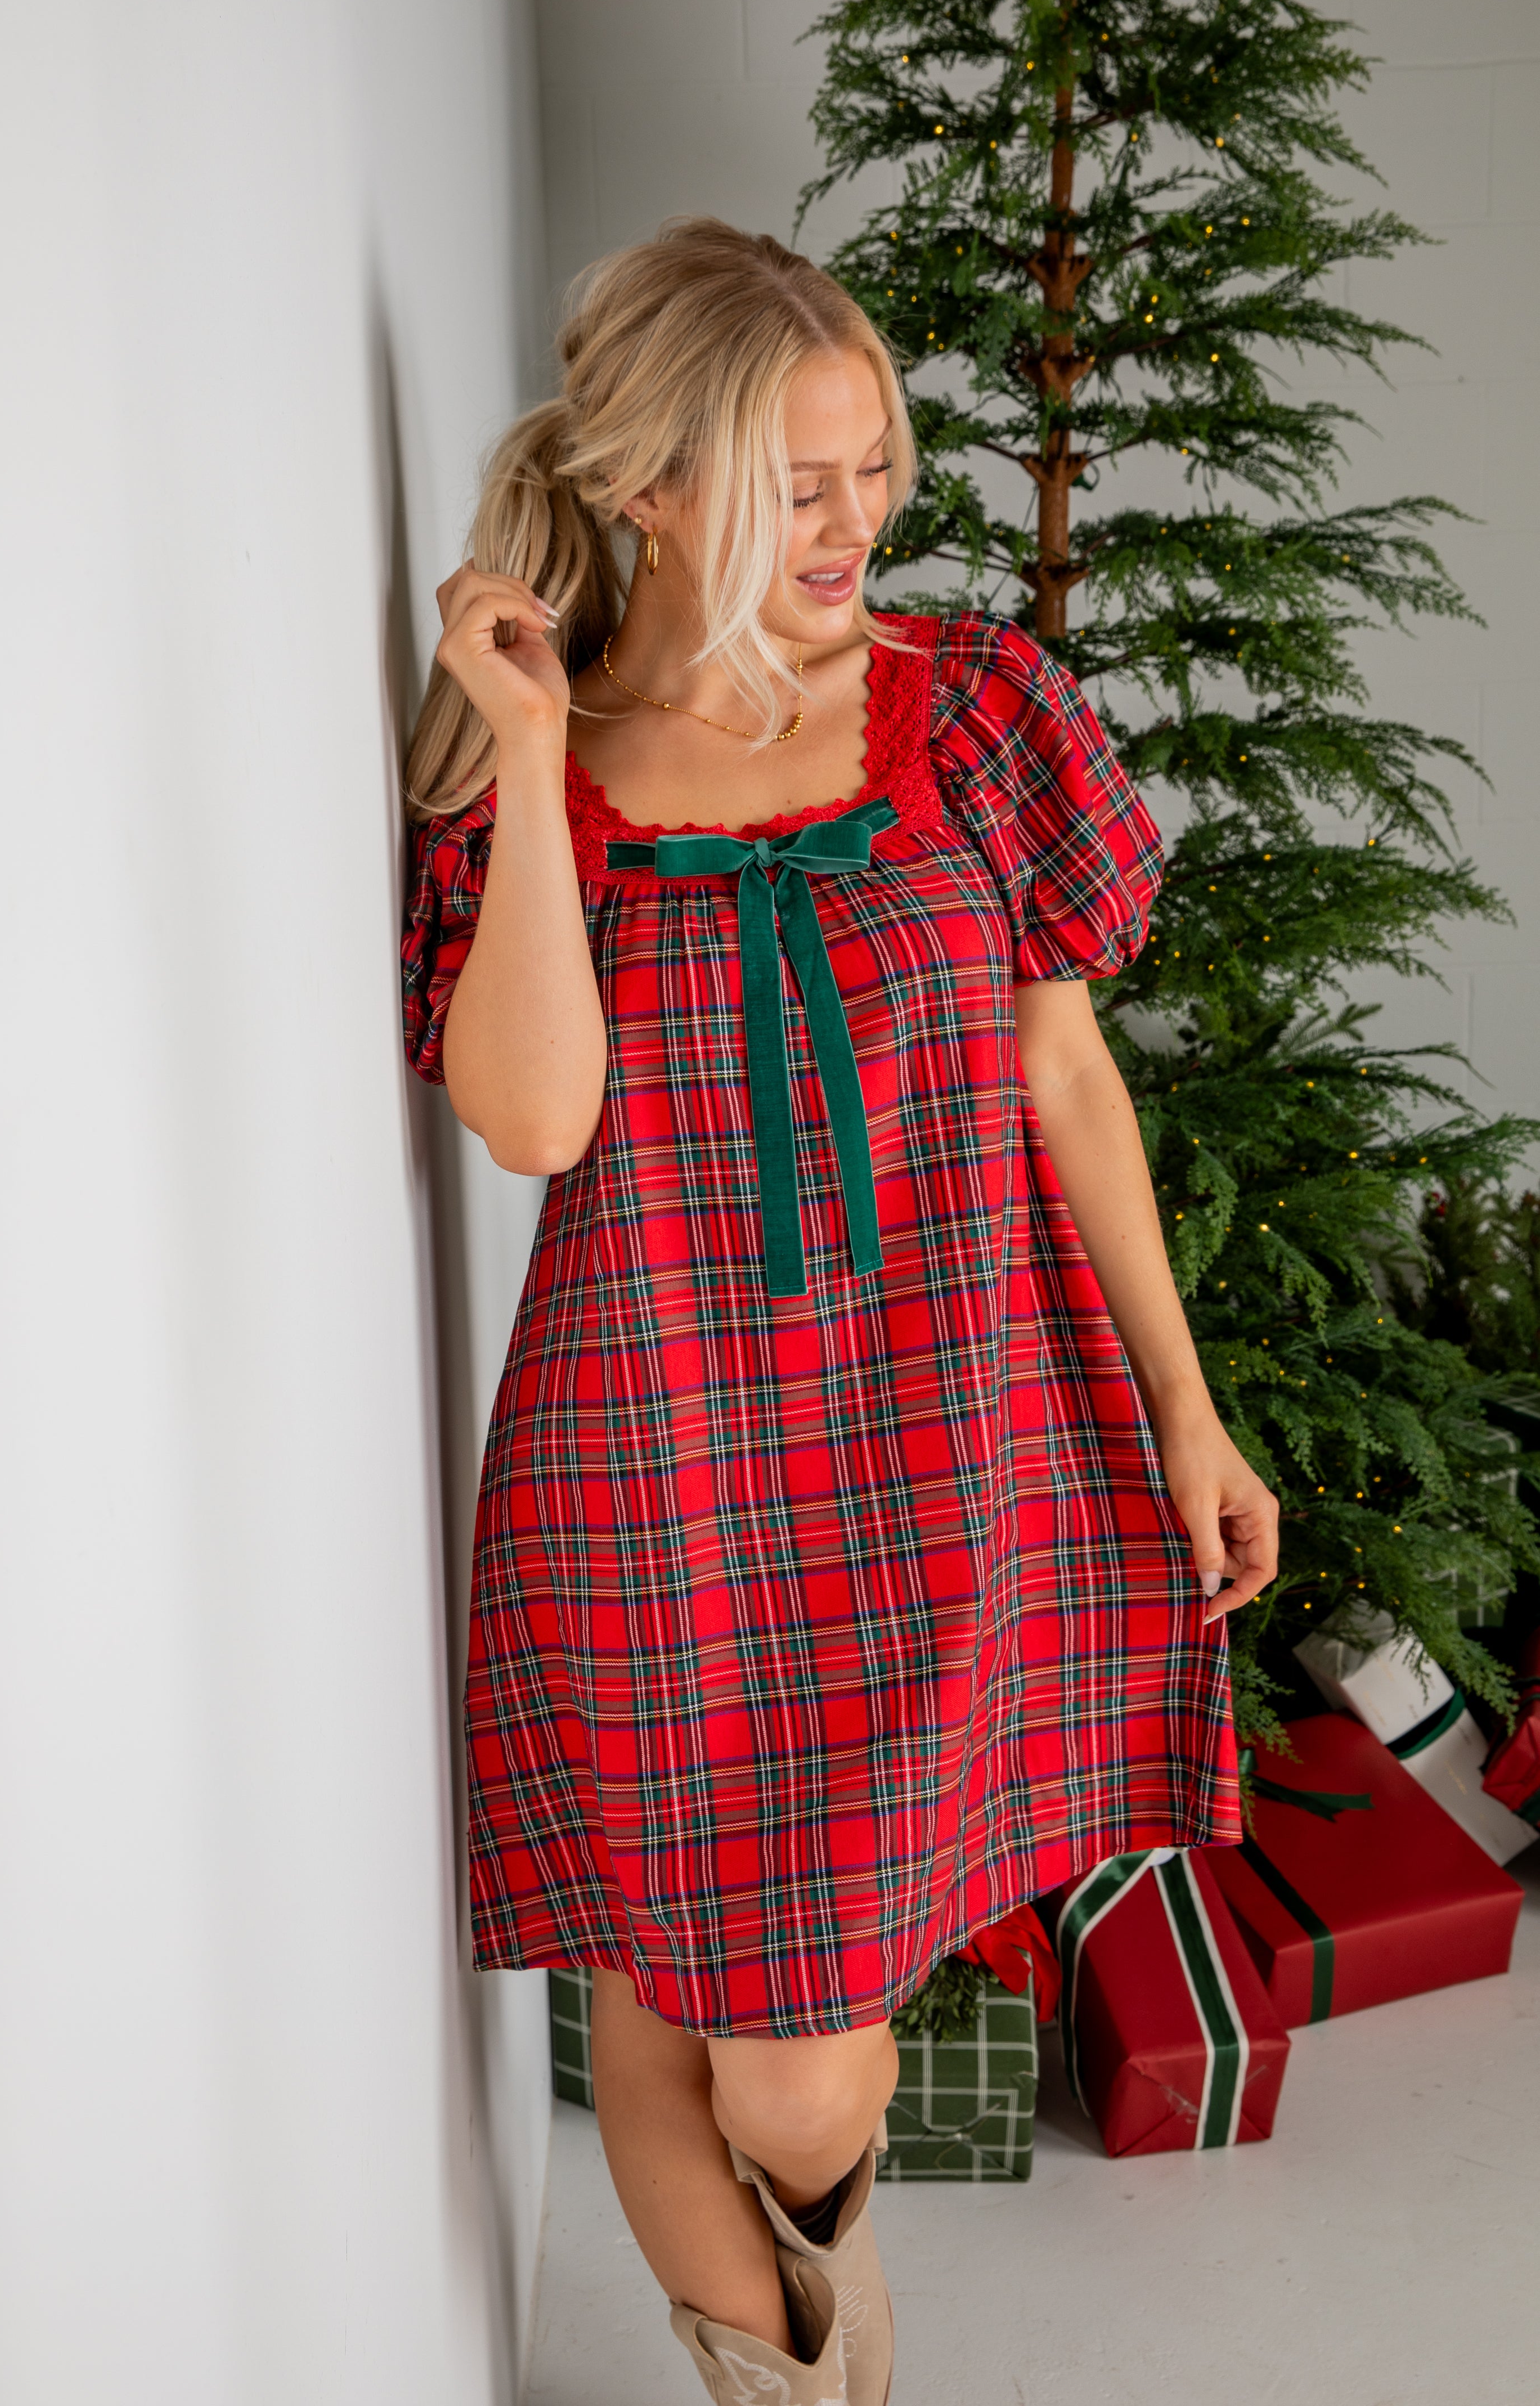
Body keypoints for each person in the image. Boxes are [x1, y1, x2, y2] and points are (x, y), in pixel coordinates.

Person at [401, 218, 1277, 2406]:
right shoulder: (534, 772)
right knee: (671, 1977)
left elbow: (1061, 1069)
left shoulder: (975, 712)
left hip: (934, 1436)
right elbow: (531, 1114)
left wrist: (1185, 1408)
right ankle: (812, 2380)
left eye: (874, 466)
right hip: (655, 1457)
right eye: (798, 482)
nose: (856, 523)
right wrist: (523, 751)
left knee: (797, 2069)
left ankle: (823, 2290)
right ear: (650, 489)